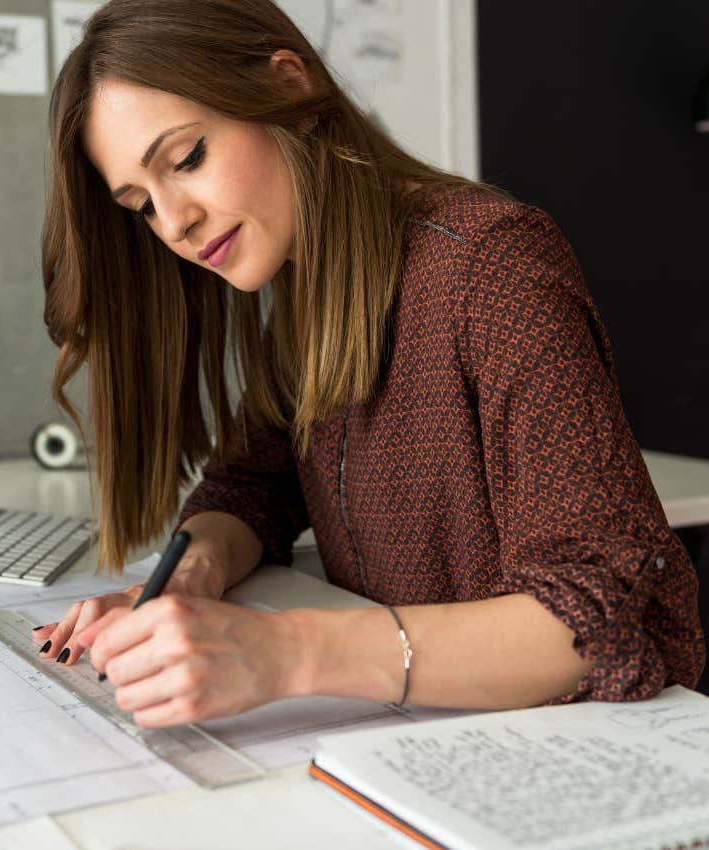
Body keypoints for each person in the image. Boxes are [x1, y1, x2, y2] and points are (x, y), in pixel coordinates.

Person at [35, 0, 704, 728]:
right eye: (140, 205)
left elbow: (596, 612)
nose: (174, 223)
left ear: (289, 86)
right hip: (421, 735)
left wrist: (279, 651)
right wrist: (188, 581)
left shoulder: (492, 266)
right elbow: (253, 486)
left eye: (187, 158)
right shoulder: (307, 292)